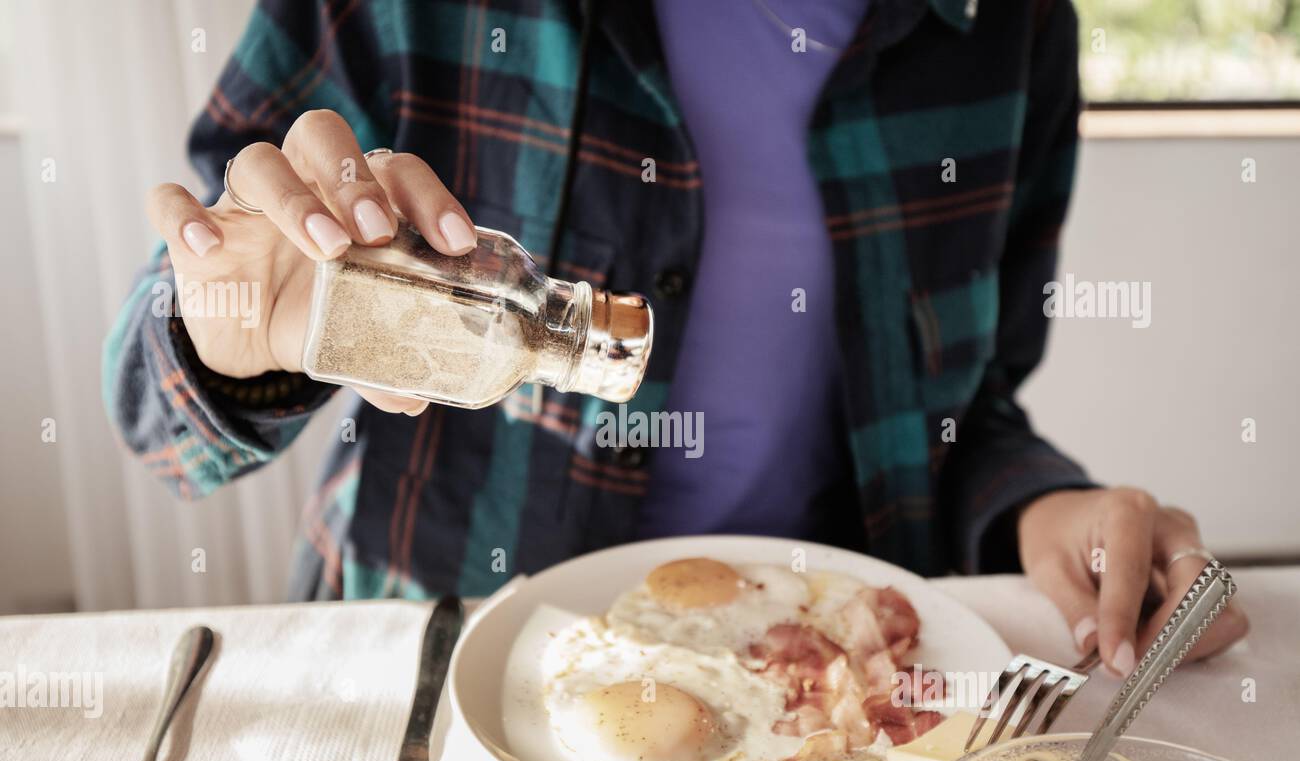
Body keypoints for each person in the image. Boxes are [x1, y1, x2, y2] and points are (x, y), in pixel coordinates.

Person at [105, 0, 1246, 676]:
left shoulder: (1008, 27)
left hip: (823, 680)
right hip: (441, 672)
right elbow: (153, 422)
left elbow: (967, 407)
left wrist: (1043, 509)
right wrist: (236, 336)